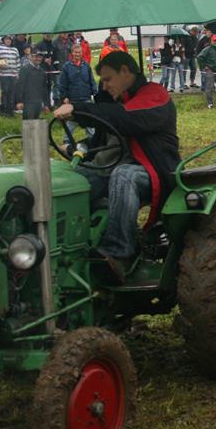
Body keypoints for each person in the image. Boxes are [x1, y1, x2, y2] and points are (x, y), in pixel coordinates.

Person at [54, 51, 179, 278]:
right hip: (111, 168)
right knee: (70, 181)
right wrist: (76, 149)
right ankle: (61, 246)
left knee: (124, 175)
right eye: (102, 82)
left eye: (108, 79)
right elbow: (103, 142)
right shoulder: (116, 102)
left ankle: (119, 252)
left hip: (155, 171)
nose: (104, 85)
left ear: (125, 71)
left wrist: (78, 109)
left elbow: (124, 118)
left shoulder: (155, 95)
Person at [58, 42, 98, 107]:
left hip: (86, 98)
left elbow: (92, 81)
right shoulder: (66, 67)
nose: (77, 54)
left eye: (79, 52)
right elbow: (62, 84)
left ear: (82, 53)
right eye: (76, 52)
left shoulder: (86, 66)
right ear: (72, 53)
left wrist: (95, 94)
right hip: (72, 99)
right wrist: (64, 97)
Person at [16, 50, 49, 120]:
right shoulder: (24, 69)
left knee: (37, 123)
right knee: (29, 123)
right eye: (36, 57)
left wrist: (46, 104)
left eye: (40, 57)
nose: (38, 59)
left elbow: (44, 89)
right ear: (31, 57)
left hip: (38, 103)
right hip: (28, 102)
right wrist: (19, 101)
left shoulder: (42, 72)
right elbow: (20, 86)